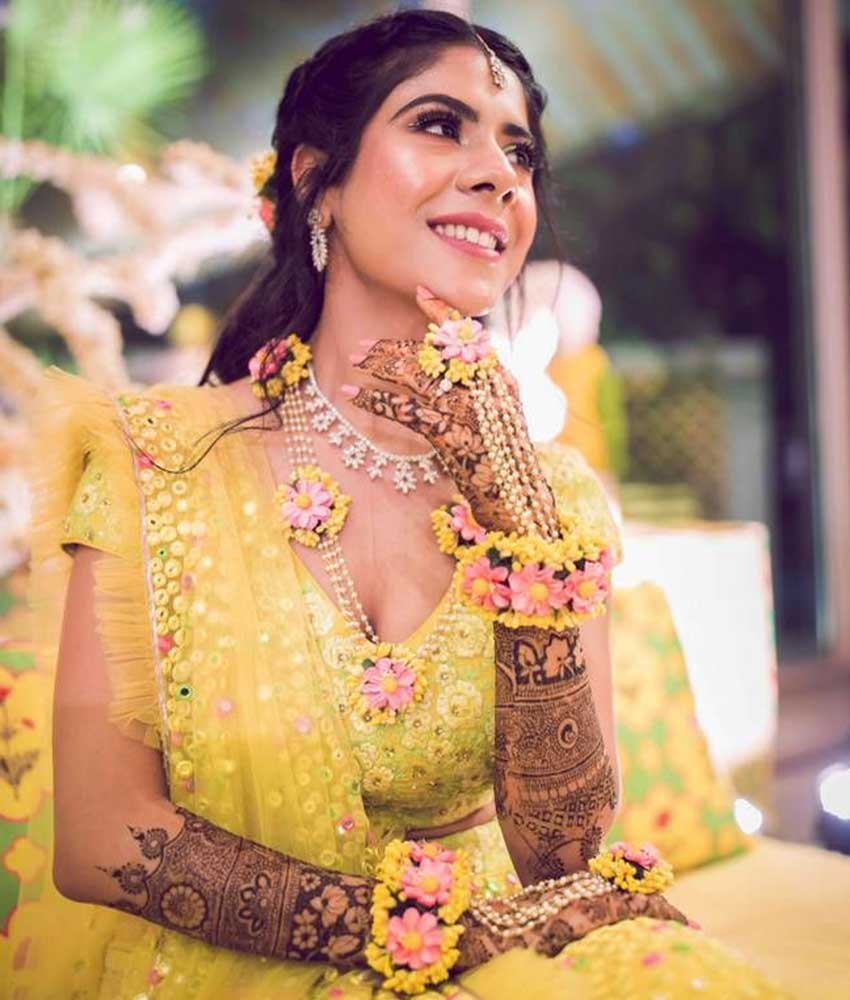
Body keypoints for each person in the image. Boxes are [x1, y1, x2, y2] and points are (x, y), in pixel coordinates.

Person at [2, 10, 794, 999]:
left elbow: (566, 857)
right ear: (311, 178)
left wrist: (518, 525)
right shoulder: (154, 463)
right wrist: (427, 930)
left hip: (517, 954)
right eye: (438, 123)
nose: (499, 173)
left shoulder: (551, 501)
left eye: (518, 152)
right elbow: (101, 838)